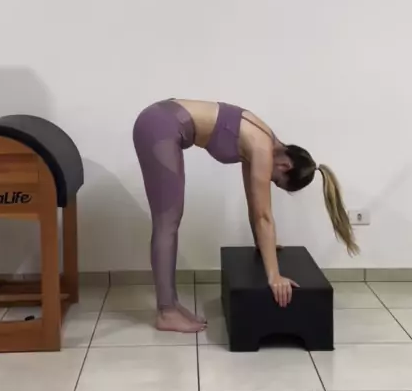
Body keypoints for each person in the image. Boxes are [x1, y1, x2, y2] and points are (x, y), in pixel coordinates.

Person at [133, 99, 358, 333]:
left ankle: (170, 305)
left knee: (169, 220)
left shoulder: (263, 141)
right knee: (167, 221)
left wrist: (263, 245)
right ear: (285, 166)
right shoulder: (262, 148)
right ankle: (166, 312)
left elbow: (255, 205)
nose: (270, 181)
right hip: (159, 125)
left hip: (160, 120)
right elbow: (264, 216)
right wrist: (275, 276)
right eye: (276, 181)